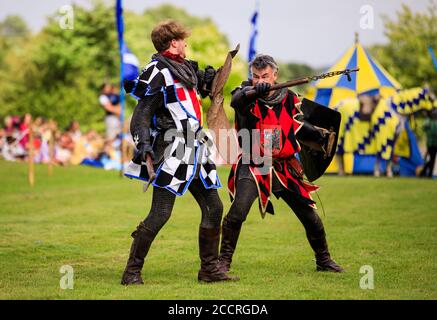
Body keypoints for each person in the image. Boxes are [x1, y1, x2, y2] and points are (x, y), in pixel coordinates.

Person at [121, 20, 237, 285]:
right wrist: (144, 146)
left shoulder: (186, 69)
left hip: (196, 145)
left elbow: (208, 90)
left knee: (214, 207)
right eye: (183, 39)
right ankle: (131, 272)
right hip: (174, 148)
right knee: (161, 212)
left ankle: (209, 270)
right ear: (173, 42)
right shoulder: (158, 71)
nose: (186, 43)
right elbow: (141, 115)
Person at [218, 54, 345, 277]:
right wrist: (253, 91)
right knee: (237, 213)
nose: (260, 80)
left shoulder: (290, 99)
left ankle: (323, 260)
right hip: (255, 165)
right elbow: (236, 101)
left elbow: (299, 126)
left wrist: (319, 136)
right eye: (255, 76)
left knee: (310, 217)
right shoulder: (244, 95)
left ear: (275, 75)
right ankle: (222, 264)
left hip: (285, 167)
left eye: (265, 76)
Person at [421, 109, 437, 177]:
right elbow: (424, 128)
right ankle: (425, 172)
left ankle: (427, 173)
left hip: (435, 143)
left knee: (432, 159)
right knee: (431, 159)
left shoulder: (432, 122)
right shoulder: (429, 121)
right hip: (430, 143)